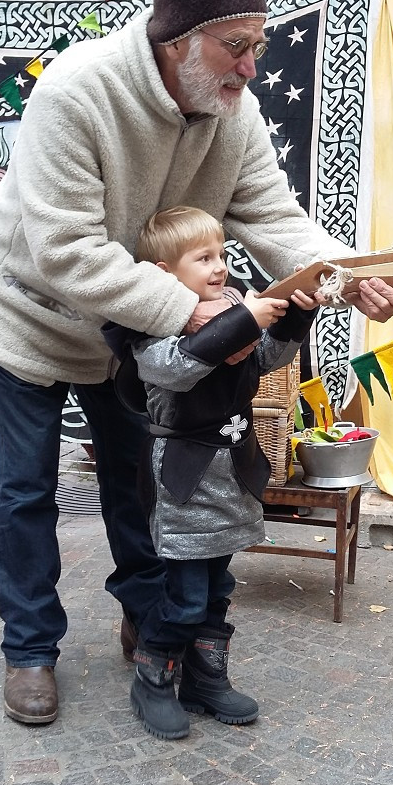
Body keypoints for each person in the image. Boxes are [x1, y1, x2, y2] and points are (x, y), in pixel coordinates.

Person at [0, 0, 393, 726]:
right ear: (180, 41)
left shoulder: (233, 113)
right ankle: (30, 650)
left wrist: (351, 280)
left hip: (135, 332)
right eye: (235, 46)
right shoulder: (79, 90)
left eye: (259, 46)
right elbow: (67, 249)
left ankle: (149, 625)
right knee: (26, 491)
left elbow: (277, 222)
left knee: (139, 485)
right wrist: (197, 315)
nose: (251, 65)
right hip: (36, 315)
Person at [115, 205, 320, 739]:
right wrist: (243, 320)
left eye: (222, 254)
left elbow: (265, 358)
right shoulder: (154, 333)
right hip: (185, 482)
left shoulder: (234, 312)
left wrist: (296, 315)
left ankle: (205, 680)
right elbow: (183, 368)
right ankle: (153, 677)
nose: (219, 266)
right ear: (164, 275)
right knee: (183, 597)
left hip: (232, 474)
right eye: (202, 257)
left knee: (218, 585)